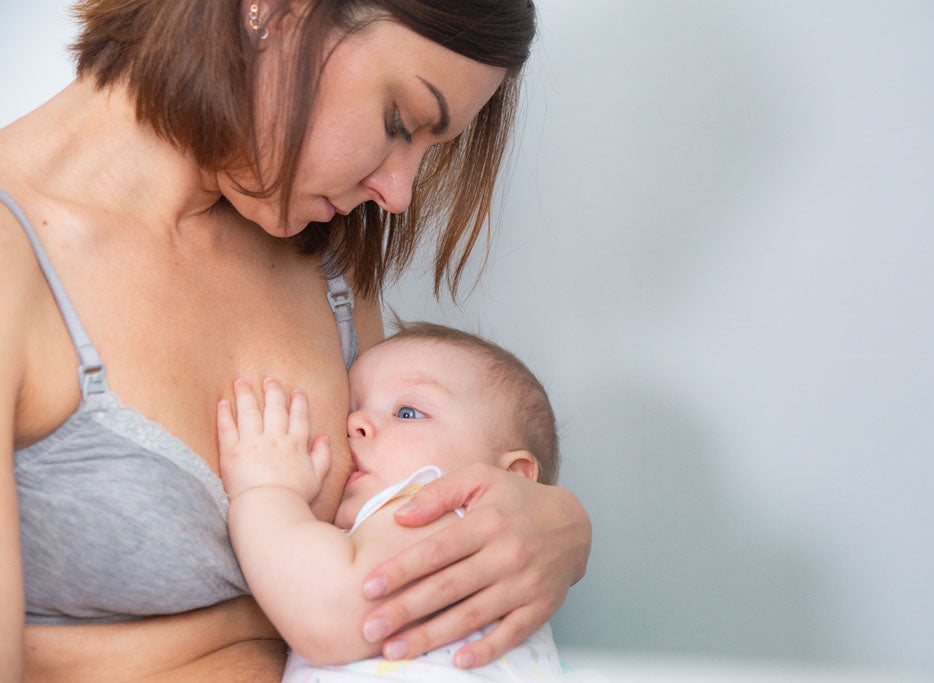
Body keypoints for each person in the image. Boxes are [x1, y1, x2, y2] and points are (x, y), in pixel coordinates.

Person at [0, 1, 591, 680]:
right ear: (274, 11)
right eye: (398, 121)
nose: (397, 192)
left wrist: (555, 527)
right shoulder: (14, 255)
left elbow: (402, 529)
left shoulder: (319, 257)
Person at [218, 322, 565, 680]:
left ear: (512, 479)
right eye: (350, 409)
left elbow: (329, 616)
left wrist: (267, 490)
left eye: (407, 412)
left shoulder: (446, 516)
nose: (355, 423)